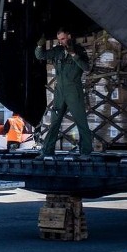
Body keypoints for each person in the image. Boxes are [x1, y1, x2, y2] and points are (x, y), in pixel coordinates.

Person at [34, 28, 93, 158]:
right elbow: (41, 56)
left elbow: (86, 68)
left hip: (74, 91)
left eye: (63, 39)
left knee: (81, 121)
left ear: (69, 36)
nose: (61, 42)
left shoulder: (79, 50)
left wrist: (73, 54)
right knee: (55, 122)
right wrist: (39, 45)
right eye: (59, 39)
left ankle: (86, 152)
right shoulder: (58, 51)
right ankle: (47, 150)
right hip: (60, 91)